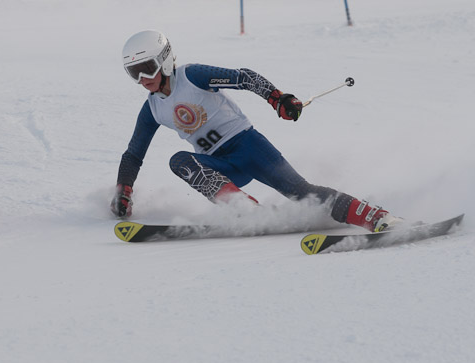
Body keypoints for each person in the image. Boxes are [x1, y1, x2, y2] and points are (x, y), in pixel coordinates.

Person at [110, 30, 403, 232]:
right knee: (179, 161)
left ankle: (376, 217)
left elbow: (244, 78)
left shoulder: (192, 75)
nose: (143, 79)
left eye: (147, 68)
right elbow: (133, 154)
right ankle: (246, 210)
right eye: (134, 72)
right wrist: (124, 191)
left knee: (301, 192)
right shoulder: (152, 109)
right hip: (220, 165)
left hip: (250, 147)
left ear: (163, 59)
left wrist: (278, 99)